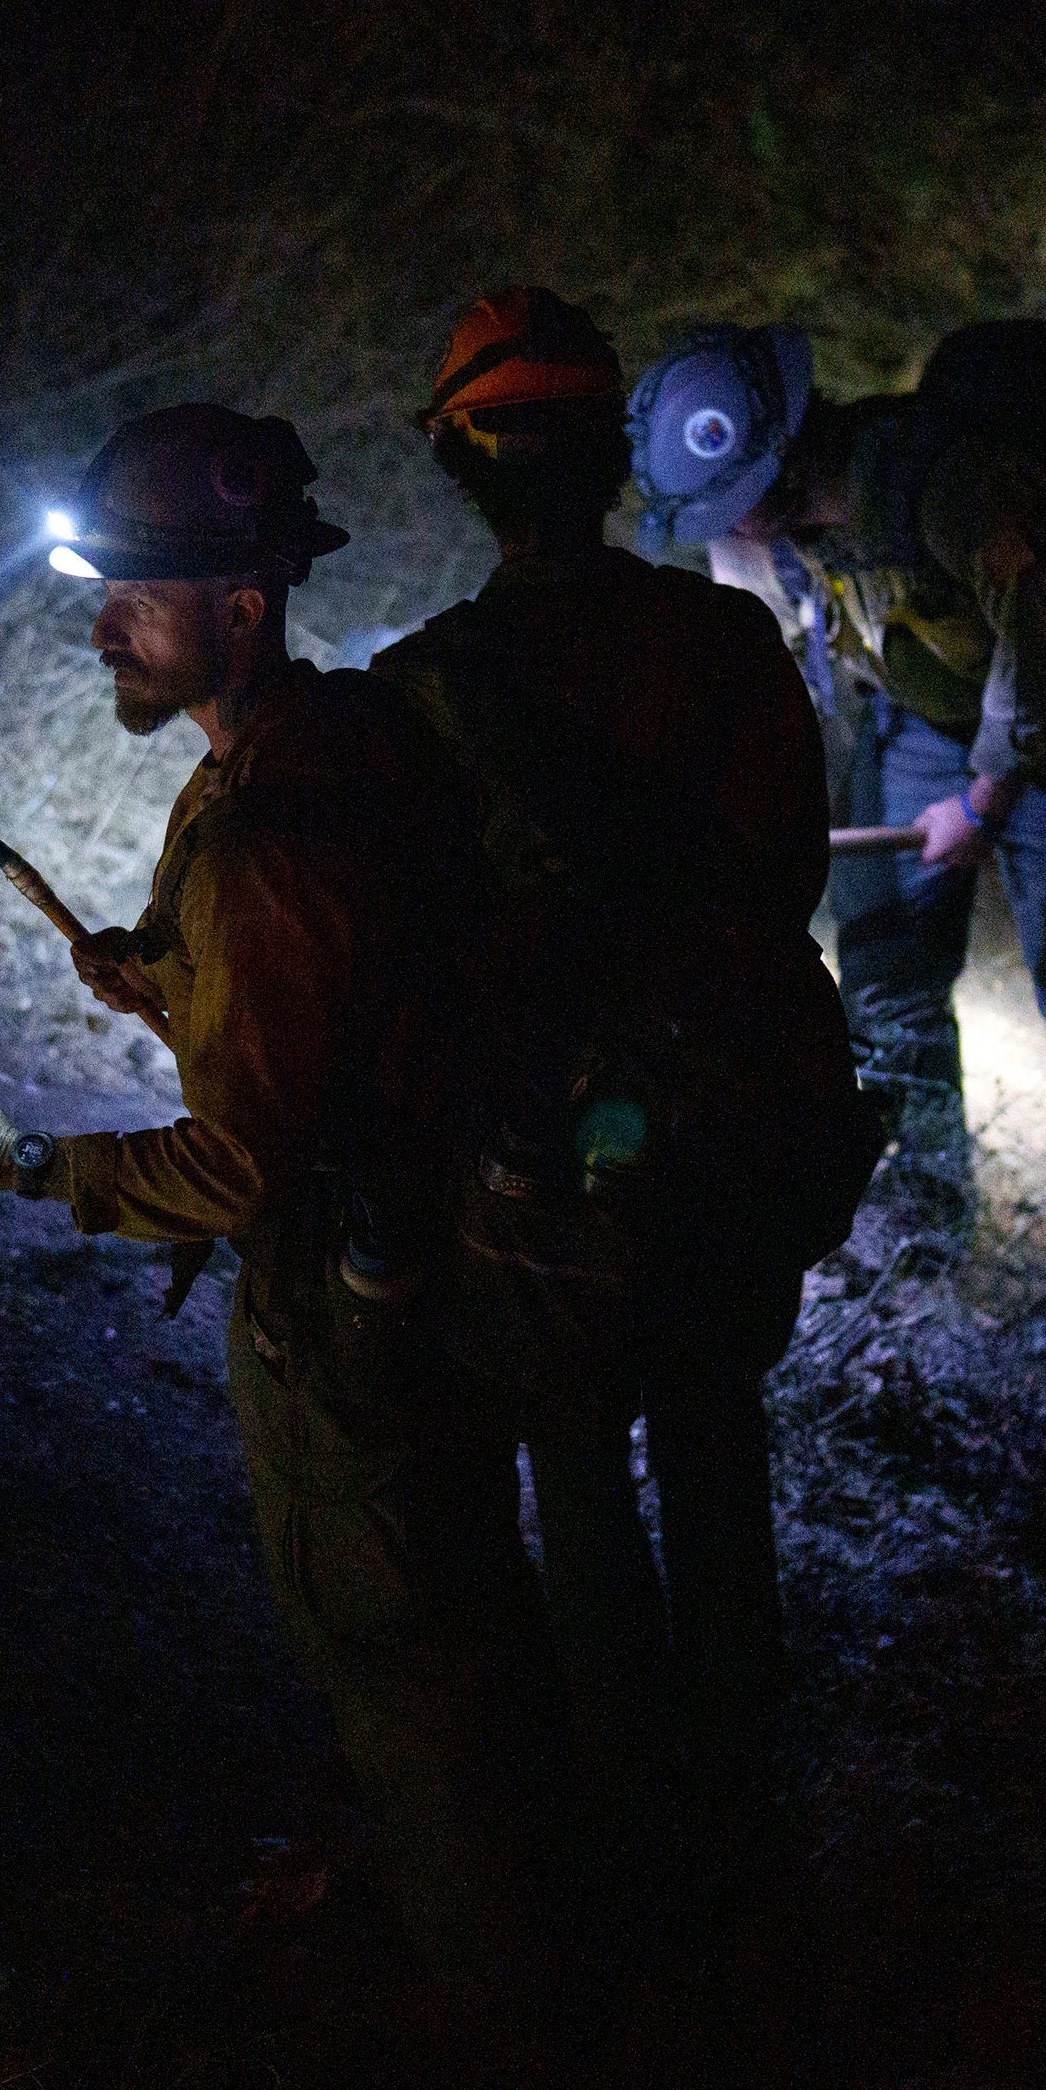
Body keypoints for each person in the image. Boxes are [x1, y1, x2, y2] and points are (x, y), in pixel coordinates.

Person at [0, 404, 554, 2000]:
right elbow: (317, 1014)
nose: (101, 623)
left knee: (409, 1663)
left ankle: (521, 2046)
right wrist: (158, 979)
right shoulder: (318, 754)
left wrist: (42, 1163)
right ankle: (475, 1948)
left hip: (357, 1318)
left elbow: (249, 1163)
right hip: (408, 1283)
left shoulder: (271, 828)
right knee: (444, 1645)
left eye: (134, 592)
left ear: (243, 609)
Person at [366, 288, 848, 1857]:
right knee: (717, 1452)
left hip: (543, 1180)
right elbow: (784, 882)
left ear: (461, 466)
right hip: (729, 1135)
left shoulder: (426, 687)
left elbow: (417, 962)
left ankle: (631, 1815)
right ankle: (739, 1803)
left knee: (574, 1471)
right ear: (612, 450)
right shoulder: (723, 643)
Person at [635, 320, 1046, 1322]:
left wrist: (983, 802)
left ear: (780, 475)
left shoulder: (946, 486)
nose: (722, 533)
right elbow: (766, 670)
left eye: (728, 511)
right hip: (921, 715)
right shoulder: (769, 545)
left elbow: (1045, 648)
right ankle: (927, 1204)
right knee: (884, 954)